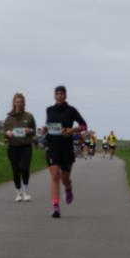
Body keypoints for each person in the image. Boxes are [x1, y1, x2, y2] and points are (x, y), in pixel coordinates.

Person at [43, 86, 87, 219]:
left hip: (66, 148)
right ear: (54, 96)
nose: (59, 96)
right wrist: (45, 129)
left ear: (65, 96)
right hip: (52, 146)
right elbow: (49, 125)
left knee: (64, 178)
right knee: (55, 175)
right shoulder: (49, 110)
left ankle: (68, 188)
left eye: (61, 94)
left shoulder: (71, 110)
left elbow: (84, 125)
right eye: (57, 94)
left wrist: (72, 130)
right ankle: (56, 207)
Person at [3, 93, 36, 202]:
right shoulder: (9, 118)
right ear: (14, 103)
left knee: (24, 168)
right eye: (17, 101)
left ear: (24, 103)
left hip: (26, 146)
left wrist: (30, 131)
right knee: (16, 170)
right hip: (13, 147)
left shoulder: (29, 116)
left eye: (21, 102)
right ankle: (18, 193)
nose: (19, 104)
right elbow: (5, 133)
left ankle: (25, 192)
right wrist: (7, 133)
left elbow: (34, 131)